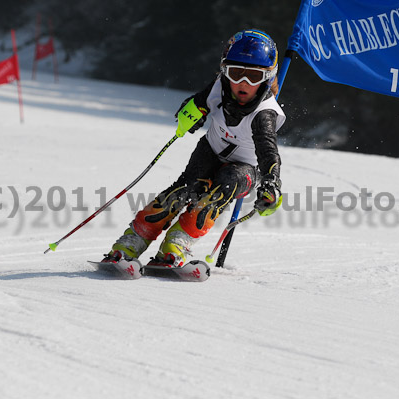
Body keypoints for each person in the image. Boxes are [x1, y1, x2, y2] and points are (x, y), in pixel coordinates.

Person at [104, 29, 286, 267]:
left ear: (268, 78)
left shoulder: (264, 114)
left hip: (245, 169)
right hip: (210, 150)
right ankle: (131, 242)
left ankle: (176, 244)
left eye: (253, 76)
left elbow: (268, 152)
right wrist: (190, 114)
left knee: (223, 186)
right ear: (224, 71)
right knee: (183, 190)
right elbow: (195, 104)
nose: (243, 83)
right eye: (235, 73)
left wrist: (271, 184)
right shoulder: (219, 86)